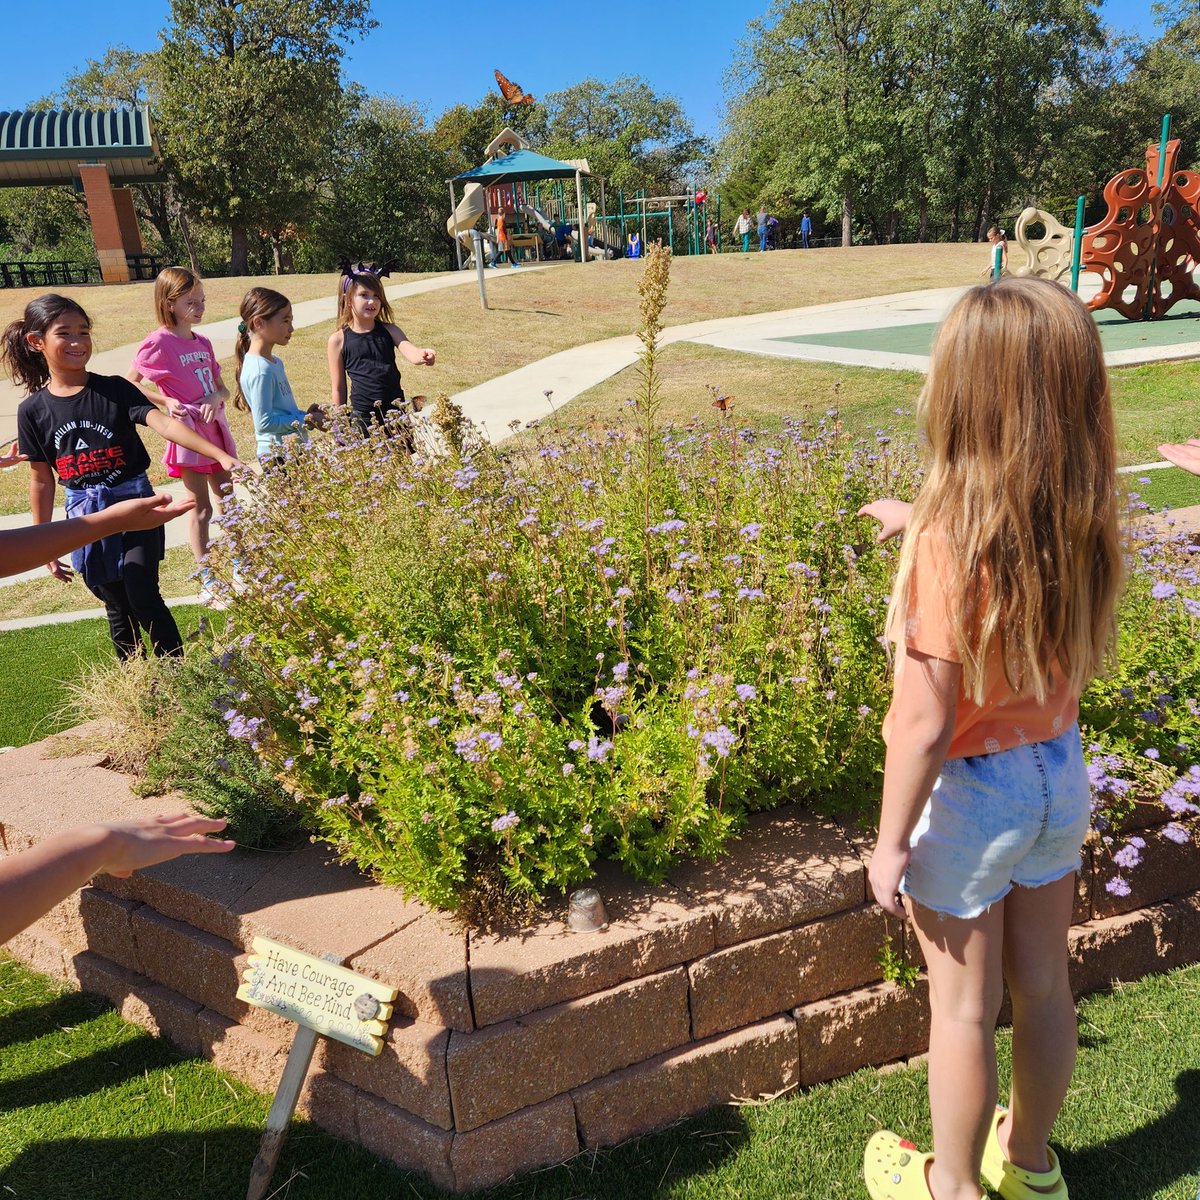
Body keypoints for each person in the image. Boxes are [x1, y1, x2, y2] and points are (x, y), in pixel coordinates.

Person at [857, 276, 1122, 1200]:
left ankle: (952, 1187)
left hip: (971, 796)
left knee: (964, 1011)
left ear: (965, 397)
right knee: (1044, 986)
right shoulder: (1079, 513)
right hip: (1057, 775)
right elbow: (1000, 545)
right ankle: (1032, 1166)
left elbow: (923, 723)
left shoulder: (948, 545)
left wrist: (889, 844)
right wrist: (915, 522)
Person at [4, 294, 241, 660]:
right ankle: (137, 679)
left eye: (84, 332)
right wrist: (45, 543)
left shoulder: (115, 388)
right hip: (86, 516)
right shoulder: (32, 410)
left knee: (142, 590)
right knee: (115, 604)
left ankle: (179, 674)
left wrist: (220, 454)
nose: (78, 342)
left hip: (138, 507)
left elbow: (165, 424)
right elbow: (41, 480)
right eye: (64, 333)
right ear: (37, 342)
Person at [128, 267, 237, 606]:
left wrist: (214, 397)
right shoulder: (158, 342)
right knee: (200, 508)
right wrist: (166, 401)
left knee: (229, 502)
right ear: (169, 303)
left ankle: (242, 567)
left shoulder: (203, 342)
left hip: (216, 430)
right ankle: (209, 580)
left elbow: (222, 388)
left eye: (202, 300)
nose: (199, 308)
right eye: (191, 302)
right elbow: (129, 384)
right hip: (188, 435)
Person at [327, 267, 435, 447]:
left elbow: (410, 350)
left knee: (402, 460)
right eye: (364, 295)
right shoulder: (338, 340)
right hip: (364, 417)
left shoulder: (390, 330)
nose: (372, 301)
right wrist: (340, 425)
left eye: (376, 296)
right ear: (348, 299)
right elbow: (338, 388)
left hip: (395, 411)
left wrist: (422, 355)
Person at [232, 288, 325, 462]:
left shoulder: (274, 362)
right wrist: (305, 419)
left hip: (293, 450)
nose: (291, 328)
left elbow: (281, 411)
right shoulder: (260, 370)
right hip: (278, 456)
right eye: (285, 321)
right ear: (259, 323)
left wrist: (306, 416)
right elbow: (264, 423)